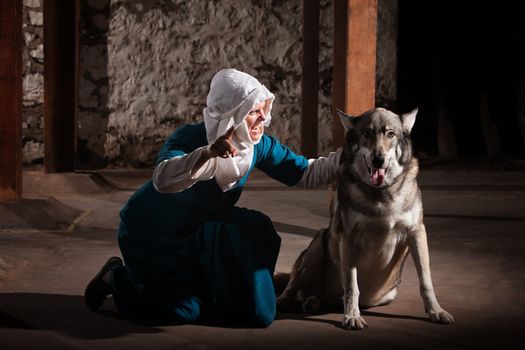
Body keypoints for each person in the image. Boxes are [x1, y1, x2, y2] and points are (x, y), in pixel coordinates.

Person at [84, 68, 341, 327]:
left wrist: (350, 157)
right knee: (180, 311)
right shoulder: (190, 137)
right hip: (152, 233)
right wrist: (207, 154)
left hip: (200, 232)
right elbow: (163, 178)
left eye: (264, 108)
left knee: (254, 229)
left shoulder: (257, 145)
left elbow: (304, 172)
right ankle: (116, 278)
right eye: (253, 111)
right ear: (231, 115)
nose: (264, 117)